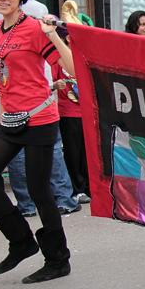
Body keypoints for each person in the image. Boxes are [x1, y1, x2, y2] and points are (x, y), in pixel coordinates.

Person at [0, 0, 76, 283]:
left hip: (39, 118)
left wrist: (51, 32)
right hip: (9, 118)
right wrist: (0, 112)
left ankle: (57, 260)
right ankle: (22, 241)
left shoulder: (36, 29)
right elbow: (1, 77)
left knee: (40, 191)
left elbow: (70, 66)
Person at [51, 22, 90, 203]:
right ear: (68, 37)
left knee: (88, 152)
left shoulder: (85, 54)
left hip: (88, 111)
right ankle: (76, 188)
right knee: (73, 152)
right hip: (68, 111)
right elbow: (50, 80)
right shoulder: (59, 57)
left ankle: (89, 187)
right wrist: (55, 85)